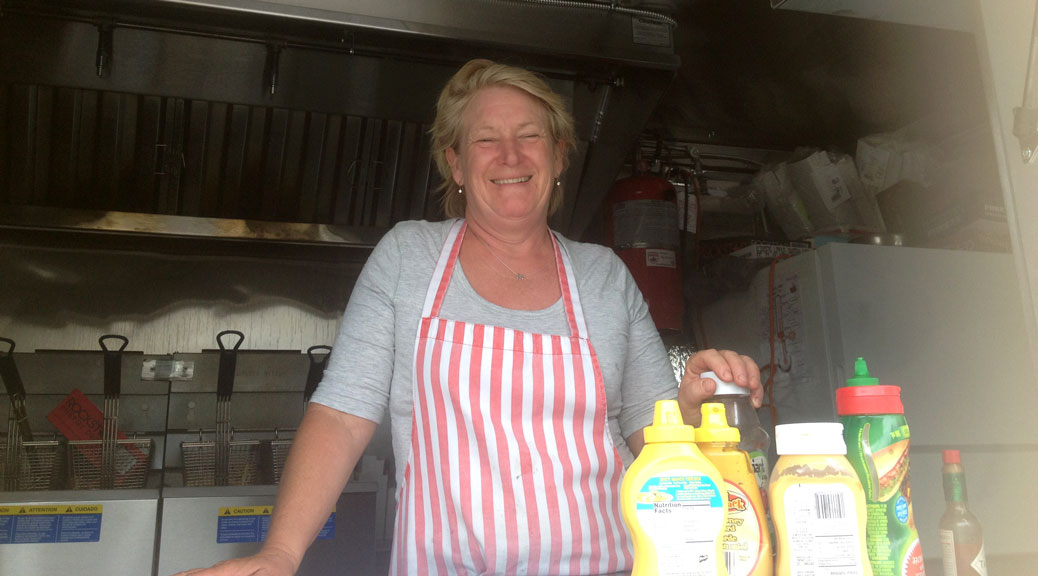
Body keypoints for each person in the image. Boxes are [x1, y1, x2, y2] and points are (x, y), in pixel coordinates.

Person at [178, 58, 761, 576]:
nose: (510, 155)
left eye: (530, 135)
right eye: (486, 140)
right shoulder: (409, 258)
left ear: (558, 156)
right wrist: (279, 554)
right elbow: (341, 415)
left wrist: (695, 409)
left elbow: (656, 440)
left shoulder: (604, 276)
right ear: (455, 164)